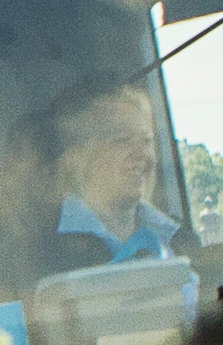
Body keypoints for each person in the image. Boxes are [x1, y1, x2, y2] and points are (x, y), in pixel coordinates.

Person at [33, 82, 185, 279]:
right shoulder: (41, 253)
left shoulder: (178, 238)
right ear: (77, 158)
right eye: (122, 140)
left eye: (146, 141)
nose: (141, 154)